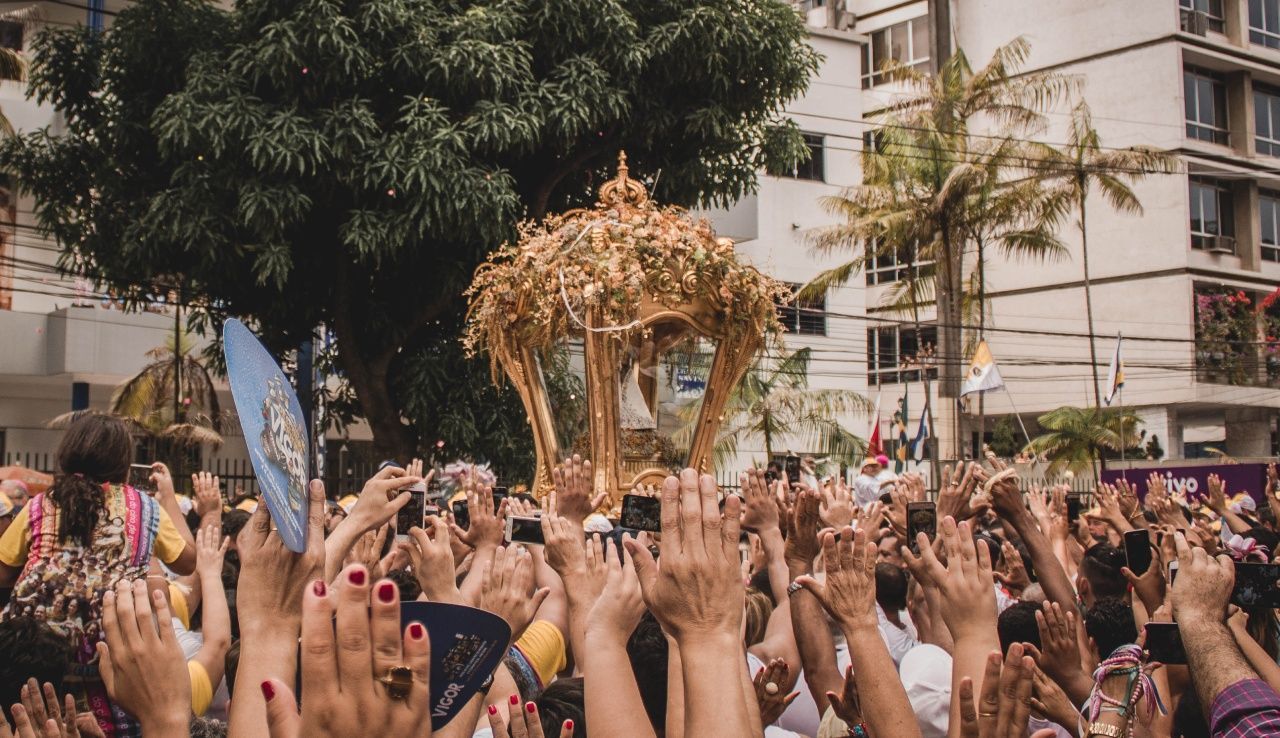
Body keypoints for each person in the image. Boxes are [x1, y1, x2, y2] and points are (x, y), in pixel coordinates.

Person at [0, 413, 196, 735]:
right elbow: (188, 563)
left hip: (34, 669)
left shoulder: (40, 505)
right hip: (113, 676)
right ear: (124, 464)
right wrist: (170, 500)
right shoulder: (145, 509)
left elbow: (4, 571)